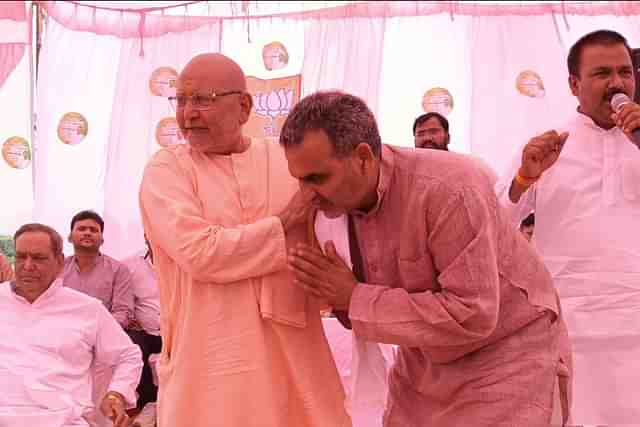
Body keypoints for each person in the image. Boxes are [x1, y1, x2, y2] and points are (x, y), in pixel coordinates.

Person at [281, 91, 572, 427]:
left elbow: (474, 314)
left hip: (506, 355)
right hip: (423, 366)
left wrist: (354, 297)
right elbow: (344, 307)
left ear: (362, 157)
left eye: (316, 178)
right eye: (299, 179)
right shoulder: (329, 206)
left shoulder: (448, 188)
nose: (305, 194)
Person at [139, 53, 351, 427]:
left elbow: (331, 231)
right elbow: (201, 253)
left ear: (243, 106)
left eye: (203, 99)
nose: (188, 113)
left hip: (292, 354)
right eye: (181, 100)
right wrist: (282, 224)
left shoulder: (287, 161)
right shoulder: (167, 169)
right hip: (208, 358)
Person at [495, 29, 640, 425]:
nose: (617, 84)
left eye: (625, 72)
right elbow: (494, 222)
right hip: (570, 326)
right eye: (602, 73)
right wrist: (525, 177)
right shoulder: (549, 145)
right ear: (574, 84)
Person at [0, 223, 142, 427]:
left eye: (38, 258)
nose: (28, 266)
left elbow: (128, 355)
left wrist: (116, 393)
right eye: (21, 256)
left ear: (59, 262)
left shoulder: (87, 308)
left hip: (64, 420)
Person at [62, 210, 133, 329]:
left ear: (102, 240)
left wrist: (96, 330)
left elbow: (123, 312)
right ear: (70, 237)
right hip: (63, 332)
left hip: (102, 335)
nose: (87, 233)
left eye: (93, 230)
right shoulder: (58, 268)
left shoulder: (118, 270)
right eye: (82, 229)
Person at [121, 237, 162, 414]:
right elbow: (122, 297)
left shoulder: (182, 261)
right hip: (145, 331)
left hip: (179, 329)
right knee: (133, 345)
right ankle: (147, 401)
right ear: (146, 237)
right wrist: (129, 316)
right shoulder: (129, 265)